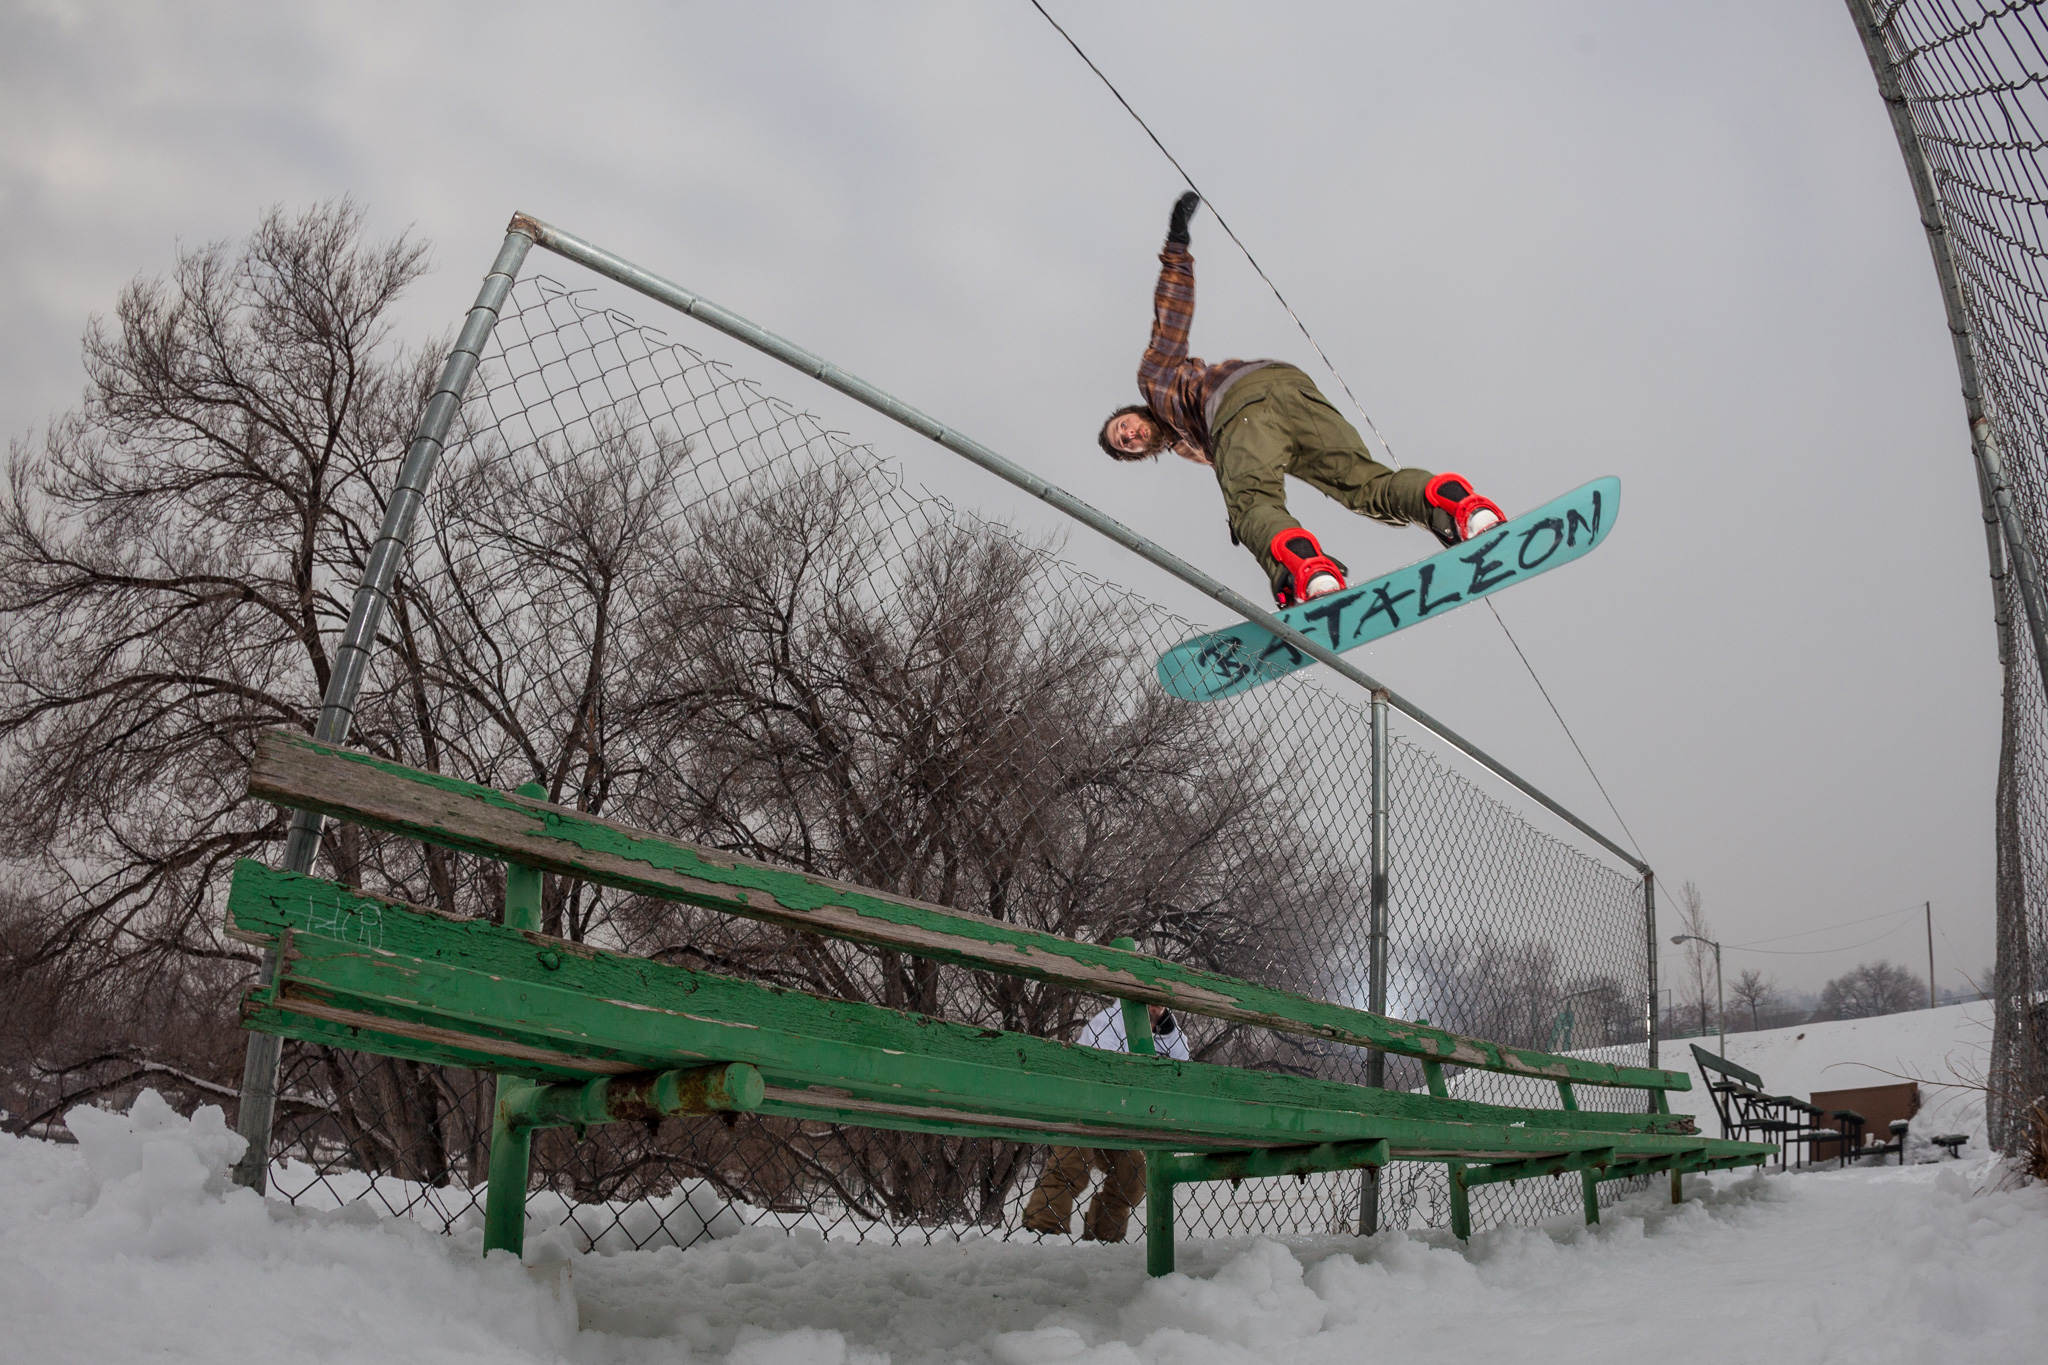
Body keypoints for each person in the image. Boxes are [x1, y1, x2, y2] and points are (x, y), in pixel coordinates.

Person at [1101, 191, 1506, 608]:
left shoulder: (1155, 378)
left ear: (1131, 411)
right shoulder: (1190, 447)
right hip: (1293, 389)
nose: (1129, 434)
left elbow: (1172, 318)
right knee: (1366, 485)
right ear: (1140, 453)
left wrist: (1176, 245)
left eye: (1122, 426)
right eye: (1125, 443)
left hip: (1238, 405)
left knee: (1253, 505)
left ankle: (1307, 576)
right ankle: (1460, 508)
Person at [1020, 1001, 1190, 1241]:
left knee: (1132, 1174)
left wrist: (1166, 1028)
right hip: (1082, 1106)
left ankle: (1104, 1238)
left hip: (1118, 1119)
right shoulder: (1109, 1022)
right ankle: (1041, 1231)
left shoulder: (1168, 1034)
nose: (1154, 1008)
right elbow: (1109, 1071)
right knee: (1072, 1165)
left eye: (1161, 1003)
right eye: (1150, 1002)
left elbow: (1184, 1066)